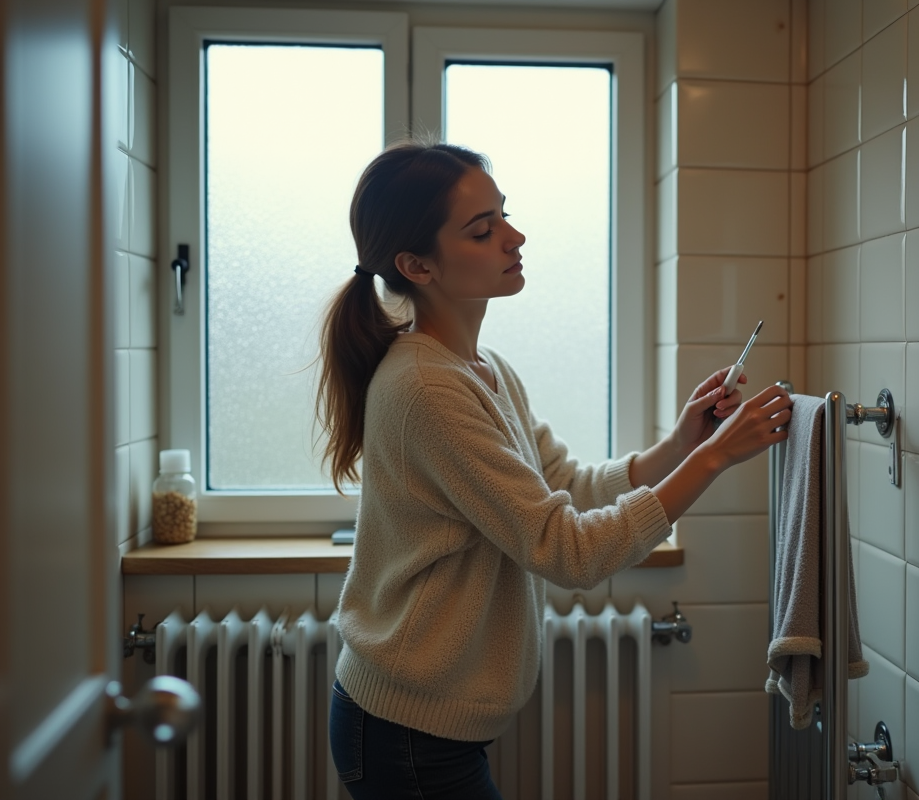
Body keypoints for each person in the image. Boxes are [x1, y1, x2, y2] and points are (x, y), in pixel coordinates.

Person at [316, 140, 793, 798]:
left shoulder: (482, 370)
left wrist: (684, 440)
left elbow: (565, 486)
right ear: (416, 265)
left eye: (503, 215)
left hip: (425, 723)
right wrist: (715, 458)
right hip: (405, 730)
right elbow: (566, 549)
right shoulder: (428, 390)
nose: (514, 237)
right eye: (483, 230)